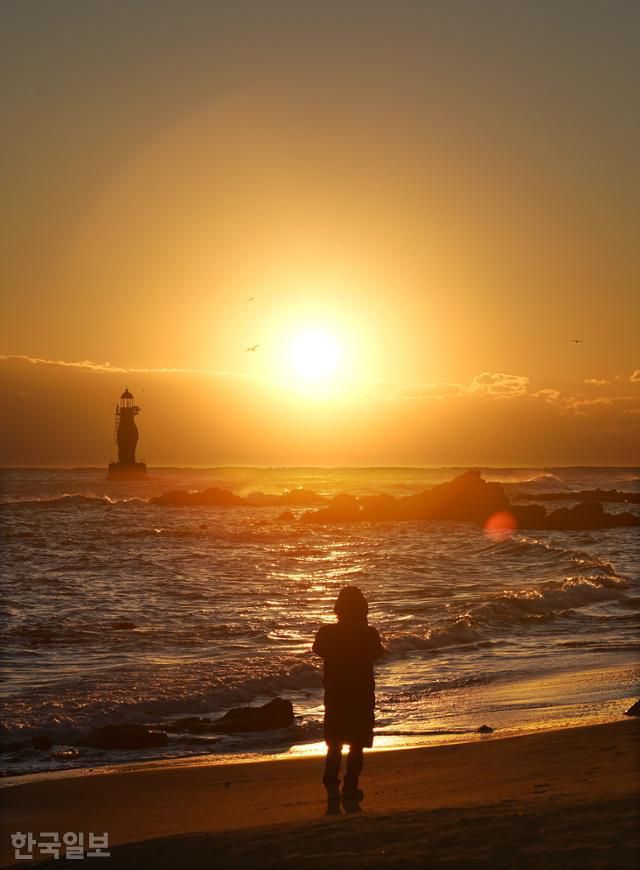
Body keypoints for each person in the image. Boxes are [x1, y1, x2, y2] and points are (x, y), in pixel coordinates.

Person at [312, 586, 384, 802]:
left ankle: (331, 784)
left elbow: (318, 649)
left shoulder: (327, 633)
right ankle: (351, 784)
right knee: (357, 742)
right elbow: (377, 653)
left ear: (338, 609)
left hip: (336, 693)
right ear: (363, 609)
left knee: (334, 742)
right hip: (361, 692)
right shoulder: (369, 633)